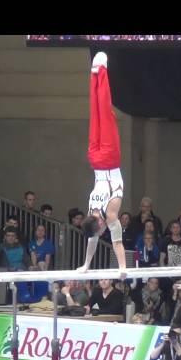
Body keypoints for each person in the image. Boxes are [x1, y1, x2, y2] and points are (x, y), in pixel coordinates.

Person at [79, 52, 127, 277]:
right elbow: (92, 240)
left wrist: (123, 269)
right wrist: (86, 266)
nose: (101, 231)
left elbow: (117, 242)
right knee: (95, 113)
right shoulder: (90, 214)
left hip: (108, 159)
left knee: (105, 112)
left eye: (100, 230)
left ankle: (102, 70)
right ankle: (94, 73)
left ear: (99, 224)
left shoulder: (110, 214)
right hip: (95, 161)